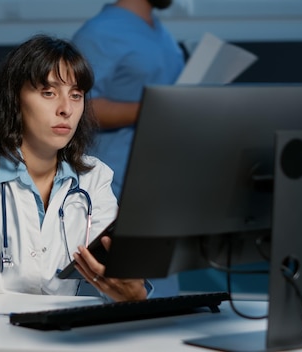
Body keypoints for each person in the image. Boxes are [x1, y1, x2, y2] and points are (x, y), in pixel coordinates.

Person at [0, 34, 149, 321]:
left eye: (76, 95)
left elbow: (119, 280)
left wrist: (133, 294)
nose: (66, 109)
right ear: (15, 98)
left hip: (66, 334)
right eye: (48, 92)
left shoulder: (94, 178)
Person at [72, 0, 185, 297]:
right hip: (118, 185)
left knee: (162, 299)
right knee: (117, 293)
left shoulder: (163, 34)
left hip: (159, 187)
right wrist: (160, 108)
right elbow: (81, 106)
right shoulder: (97, 34)